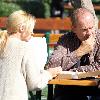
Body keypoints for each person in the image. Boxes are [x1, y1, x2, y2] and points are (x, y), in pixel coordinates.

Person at [0, 10, 62, 100]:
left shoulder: (2, 43)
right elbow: (35, 84)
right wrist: (49, 73)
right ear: (22, 28)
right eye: (31, 29)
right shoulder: (25, 47)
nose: (32, 33)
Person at [46, 8, 100, 100]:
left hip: (95, 90)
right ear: (74, 28)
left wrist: (74, 71)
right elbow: (52, 66)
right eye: (84, 29)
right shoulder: (65, 40)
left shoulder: (98, 38)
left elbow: (99, 66)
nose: (89, 33)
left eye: (91, 28)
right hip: (68, 91)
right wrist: (80, 52)